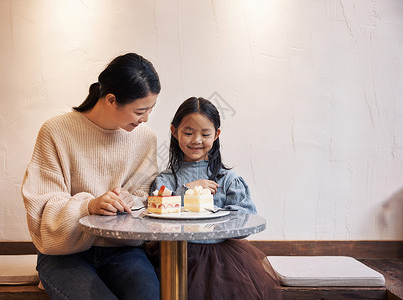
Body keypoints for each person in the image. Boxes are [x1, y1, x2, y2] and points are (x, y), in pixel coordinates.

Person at [22, 53, 161, 300]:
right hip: (64, 255)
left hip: (123, 250)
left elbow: (146, 198)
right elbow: (41, 209)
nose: (146, 118)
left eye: (151, 109)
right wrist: (89, 206)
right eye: (140, 110)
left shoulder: (145, 137)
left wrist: (130, 200)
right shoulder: (56, 131)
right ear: (110, 99)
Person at [149, 97, 282, 299]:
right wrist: (187, 191)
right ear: (174, 132)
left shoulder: (228, 179)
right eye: (188, 132)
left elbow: (245, 219)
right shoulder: (164, 181)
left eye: (205, 133)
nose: (196, 140)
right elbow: (155, 218)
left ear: (217, 134)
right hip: (174, 256)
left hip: (223, 261)